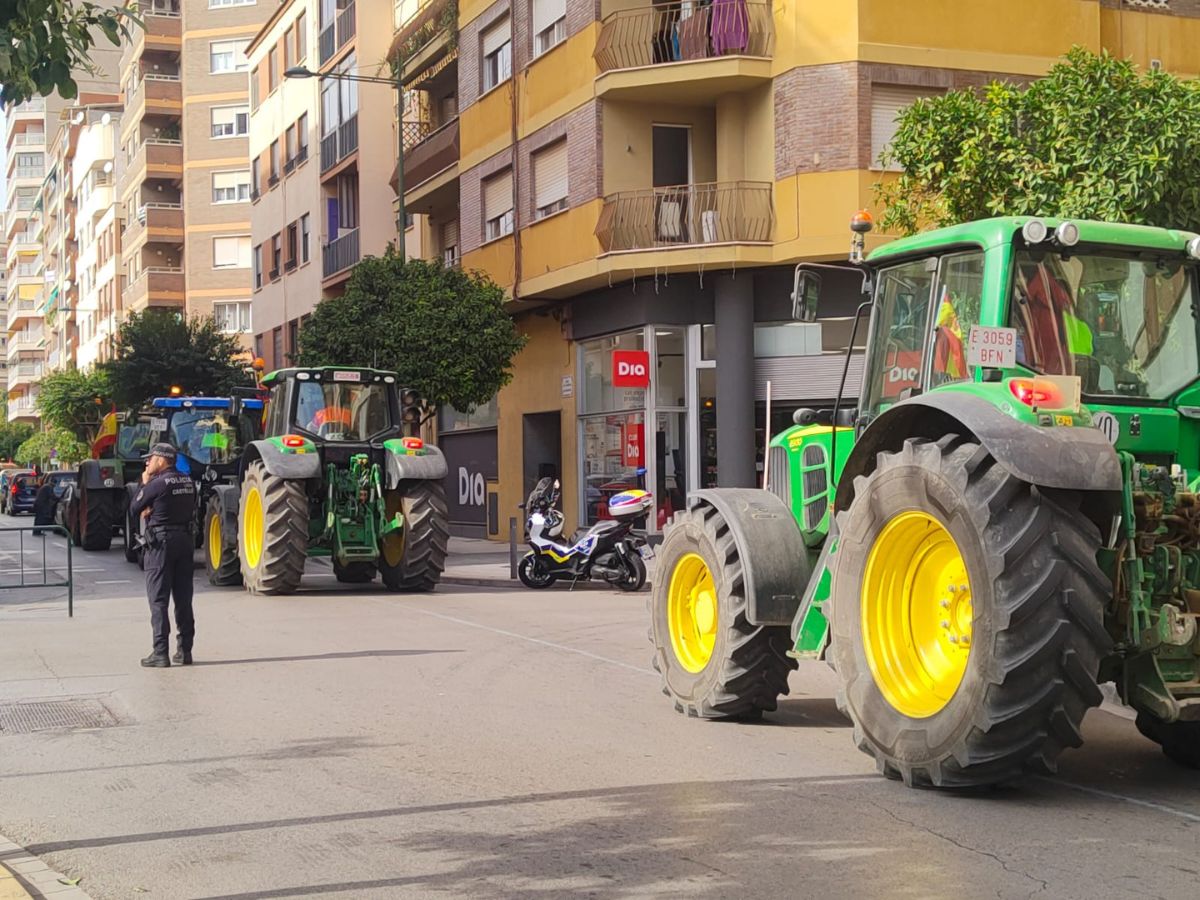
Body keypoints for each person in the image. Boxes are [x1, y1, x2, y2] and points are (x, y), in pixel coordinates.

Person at [129, 443, 197, 668]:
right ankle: (185, 651)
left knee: (158, 600)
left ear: (162, 460)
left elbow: (134, 508)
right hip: (185, 542)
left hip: (161, 545)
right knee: (183, 598)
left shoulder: (157, 483)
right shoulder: (188, 482)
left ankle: (160, 653)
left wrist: (145, 483)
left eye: (151, 459)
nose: (148, 463)